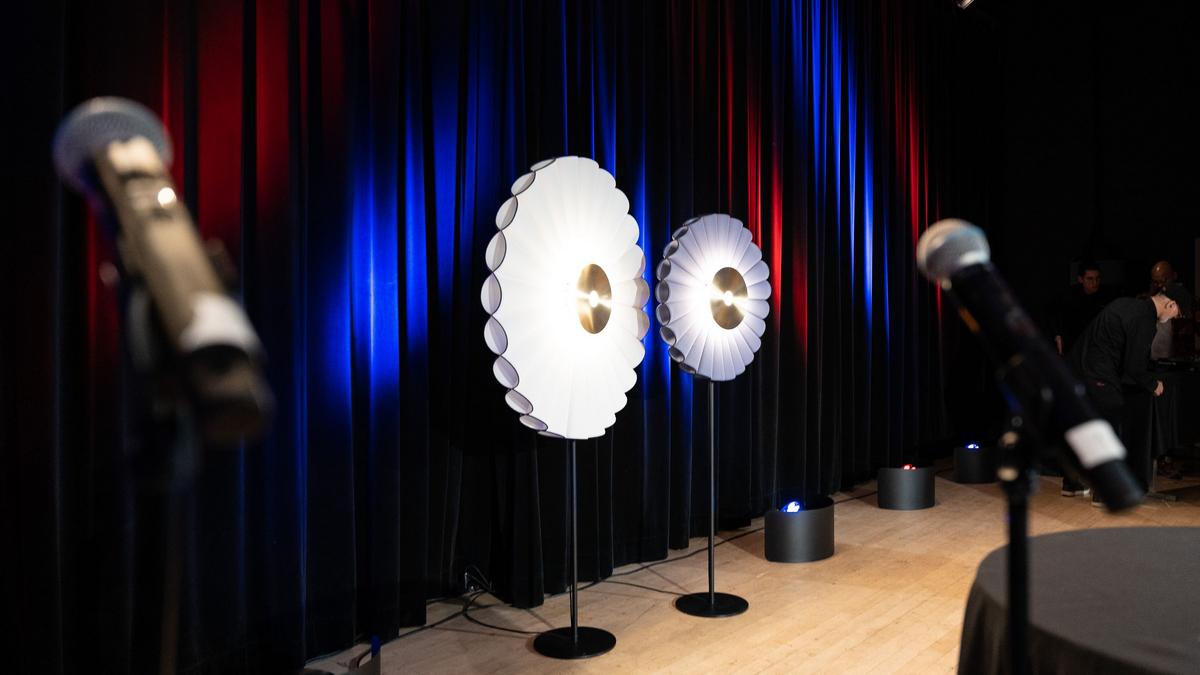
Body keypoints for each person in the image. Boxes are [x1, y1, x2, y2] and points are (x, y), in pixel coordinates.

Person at [1062, 284, 1193, 498]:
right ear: (1171, 305)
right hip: (1098, 374)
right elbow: (1134, 367)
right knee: (1111, 431)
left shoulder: (1128, 304)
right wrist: (1153, 384)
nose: (1173, 319)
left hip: (1076, 367)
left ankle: (1071, 483)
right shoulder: (1145, 319)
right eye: (1177, 315)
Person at [1051, 260, 1109, 356]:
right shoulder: (1068, 297)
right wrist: (1057, 336)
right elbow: (1053, 315)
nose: (1095, 282)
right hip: (1073, 345)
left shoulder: (1105, 296)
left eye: (1097, 278)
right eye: (1090, 279)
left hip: (1096, 345)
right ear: (1080, 279)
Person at [1148, 261, 1179, 359]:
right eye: (1156, 282)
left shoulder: (1183, 299)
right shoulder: (1149, 302)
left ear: (1174, 276)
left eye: (1164, 280)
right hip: (1154, 360)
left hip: (1175, 359)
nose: (1160, 285)